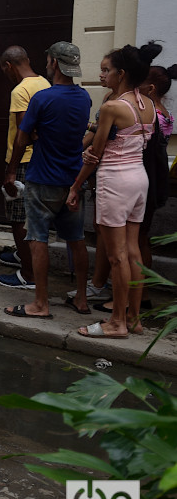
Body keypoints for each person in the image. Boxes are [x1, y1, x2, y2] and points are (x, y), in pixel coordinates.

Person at [67, 45, 156, 338]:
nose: (102, 74)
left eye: (107, 70)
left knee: (117, 256)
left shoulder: (113, 106)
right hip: (138, 180)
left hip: (116, 180)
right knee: (132, 251)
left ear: (122, 74)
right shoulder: (148, 104)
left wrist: (76, 185)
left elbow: (95, 152)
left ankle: (117, 322)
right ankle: (133, 320)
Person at [0, 41, 91, 319]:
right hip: (72, 178)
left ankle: (40, 303)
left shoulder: (43, 98)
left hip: (42, 177)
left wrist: (11, 171)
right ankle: (83, 298)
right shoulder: (84, 97)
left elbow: (22, 137)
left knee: (37, 239)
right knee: (76, 240)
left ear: (53, 63)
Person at [0, 46, 51, 290]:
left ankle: (28, 274)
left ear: (8, 66)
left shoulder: (20, 90)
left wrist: (11, 168)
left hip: (23, 160)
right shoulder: (45, 83)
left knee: (18, 216)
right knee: (33, 215)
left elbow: (23, 133)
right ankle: (23, 255)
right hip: (41, 158)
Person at [137, 53, 175, 309]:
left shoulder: (153, 116)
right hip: (153, 182)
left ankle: (141, 295)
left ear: (150, 88)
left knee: (138, 239)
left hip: (145, 181)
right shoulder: (164, 113)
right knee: (141, 237)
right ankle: (142, 293)